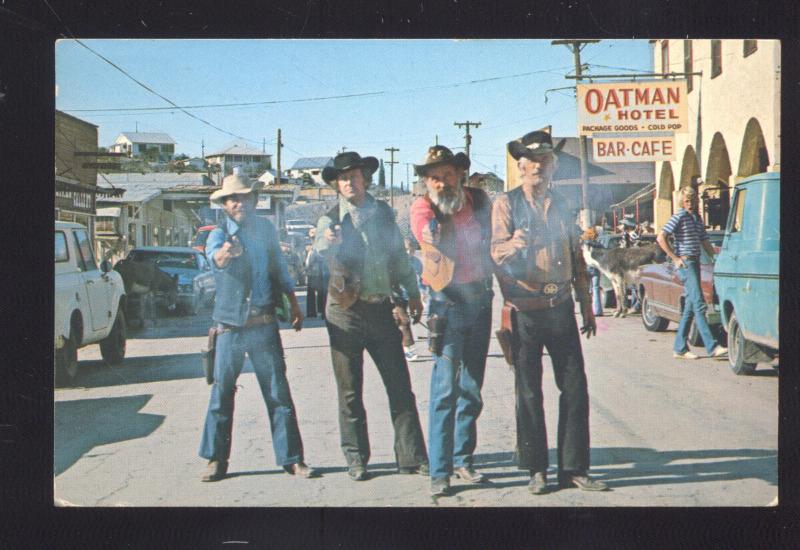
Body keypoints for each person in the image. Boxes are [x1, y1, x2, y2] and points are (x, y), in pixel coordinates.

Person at [491, 130, 608, 495]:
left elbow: (575, 254)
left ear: (553, 166)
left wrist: (586, 303)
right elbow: (494, 252)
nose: (539, 167)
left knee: (575, 387)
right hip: (524, 308)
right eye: (533, 161)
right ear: (521, 165)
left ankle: (573, 468)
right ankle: (536, 469)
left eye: (546, 161)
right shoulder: (505, 204)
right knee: (528, 391)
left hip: (560, 308)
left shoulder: (562, 203)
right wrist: (513, 244)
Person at [313, 151, 429, 482]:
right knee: (350, 392)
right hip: (345, 313)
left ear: (365, 178)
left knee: (400, 387)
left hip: (381, 309)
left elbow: (399, 258)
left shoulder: (383, 215)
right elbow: (320, 249)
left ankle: (412, 456)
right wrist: (327, 241)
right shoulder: (330, 218)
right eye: (343, 178)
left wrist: (414, 293)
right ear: (337, 184)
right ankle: (356, 458)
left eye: (355, 176)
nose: (350, 182)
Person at [199, 169, 317, 482]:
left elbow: (279, 268)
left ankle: (292, 459)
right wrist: (227, 252)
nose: (239, 203)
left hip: (264, 324)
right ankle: (216, 460)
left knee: (278, 392)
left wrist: (293, 303)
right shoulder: (219, 234)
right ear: (225, 204)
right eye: (233, 199)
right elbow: (215, 259)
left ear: (253, 199)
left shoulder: (265, 231)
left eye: (244, 197)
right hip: (230, 328)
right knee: (222, 394)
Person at [409, 145, 495, 496]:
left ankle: (462, 459)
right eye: (434, 178)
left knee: (472, 387)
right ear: (427, 182)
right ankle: (440, 471)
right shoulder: (423, 207)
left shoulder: (479, 201)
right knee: (444, 389)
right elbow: (424, 232)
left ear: (460, 174)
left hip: (480, 297)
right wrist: (430, 233)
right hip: (447, 303)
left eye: (446, 175)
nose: (441, 183)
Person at [657, 186, 728, 360]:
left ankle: (679, 348)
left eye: (693, 200)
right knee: (699, 303)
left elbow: (704, 240)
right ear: (682, 202)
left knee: (689, 307)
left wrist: (715, 257)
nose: (690, 204)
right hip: (686, 262)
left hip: (696, 261)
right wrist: (674, 258)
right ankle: (712, 346)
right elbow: (661, 237)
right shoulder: (679, 216)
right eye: (687, 201)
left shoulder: (696, 218)